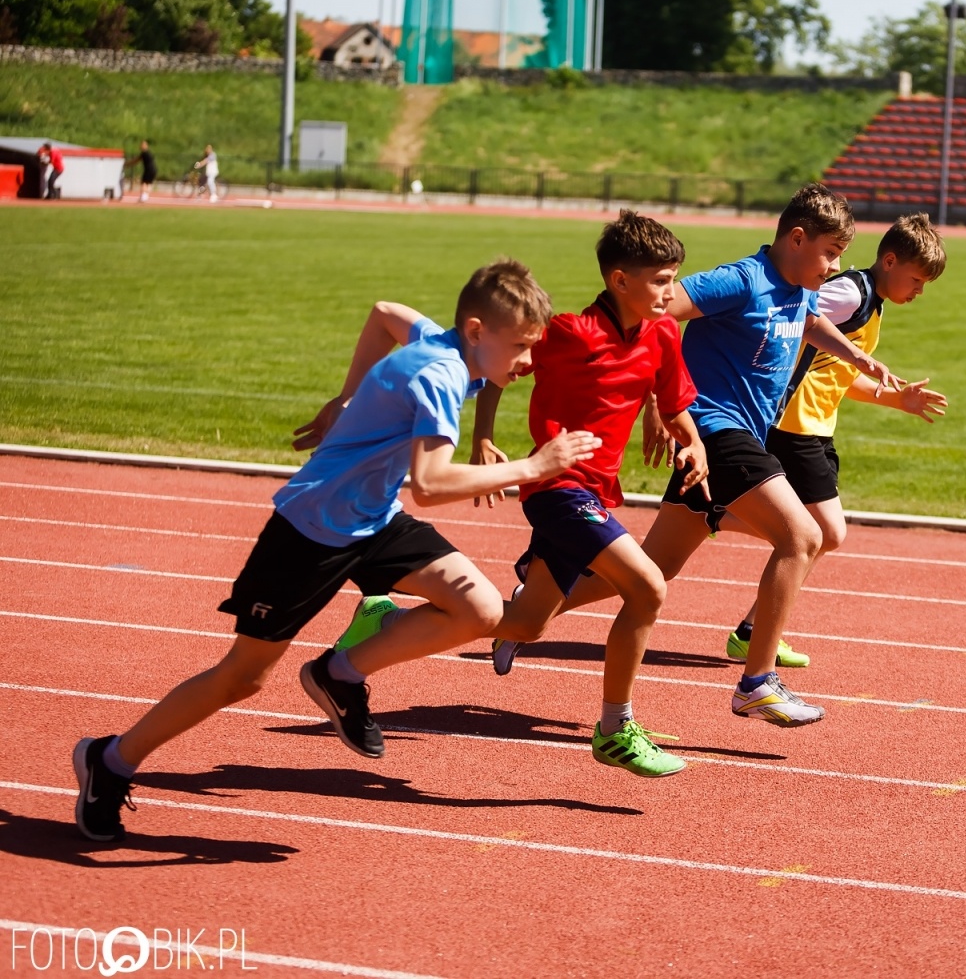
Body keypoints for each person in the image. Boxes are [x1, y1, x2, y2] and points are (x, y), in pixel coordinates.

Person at [72, 260, 600, 842]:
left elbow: (384, 315)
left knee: (479, 610)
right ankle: (111, 758)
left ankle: (338, 673)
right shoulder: (441, 374)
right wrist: (536, 465)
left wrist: (343, 401)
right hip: (311, 531)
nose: (529, 360)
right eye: (522, 346)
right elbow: (429, 484)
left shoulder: (442, 339)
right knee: (242, 679)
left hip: (373, 520)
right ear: (477, 331)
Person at [555, 183, 902, 729]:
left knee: (652, 570)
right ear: (796, 238)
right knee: (803, 535)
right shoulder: (742, 279)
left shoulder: (800, 287)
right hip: (716, 428)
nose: (836, 266)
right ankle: (757, 683)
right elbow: (659, 311)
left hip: (732, 443)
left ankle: (526, 606)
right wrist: (659, 398)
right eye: (831, 252)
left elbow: (809, 321)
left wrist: (857, 355)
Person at [432, 210, 708, 777]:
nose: (670, 291)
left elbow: (674, 399)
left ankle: (384, 620)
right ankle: (615, 728)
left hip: (599, 491)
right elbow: (494, 371)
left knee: (526, 623)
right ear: (620, 281)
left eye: (674, 278)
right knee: (648, 586)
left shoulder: (662, 333)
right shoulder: (569, 333)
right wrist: (483, 437)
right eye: (659, 280)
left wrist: (692, 440)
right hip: (555, 487)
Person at [714, 213, 948, 667]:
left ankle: (751, 625)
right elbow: (796, 312)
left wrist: (895, 400)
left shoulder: (872, 303)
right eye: (916, 279)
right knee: (825, 532)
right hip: (792, 426)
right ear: (890, 260)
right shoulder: (849, 292)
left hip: (817, 428)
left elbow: (834, 376)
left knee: (817, 534)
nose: (919, 291)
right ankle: (718, 519)